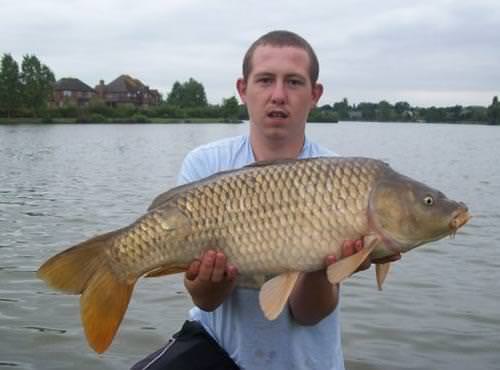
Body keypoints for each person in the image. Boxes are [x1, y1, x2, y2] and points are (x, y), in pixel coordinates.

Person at [132, 30, 400, 370]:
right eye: (265, 80)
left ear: (314, 94)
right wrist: (212, 278)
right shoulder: (205, 165)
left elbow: (307, 313)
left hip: (306, 361)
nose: (278, 95)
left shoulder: (343, 179)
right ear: (243, 89)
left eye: (293, 82)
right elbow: (206, 301)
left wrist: (326, 269)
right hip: (217, 351)